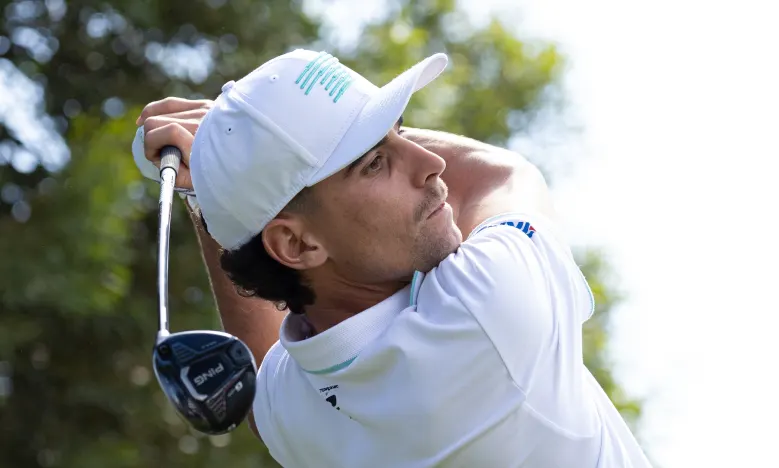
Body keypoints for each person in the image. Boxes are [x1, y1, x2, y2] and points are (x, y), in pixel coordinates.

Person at [133, 49, 652, 467]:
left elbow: (264, 374)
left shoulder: (296, 410)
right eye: (376, 162)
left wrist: (216, 189)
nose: (430, 162)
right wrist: (229, 171)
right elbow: (499, 175)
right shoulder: (486, 308)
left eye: (400, 132)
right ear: (296, 245)